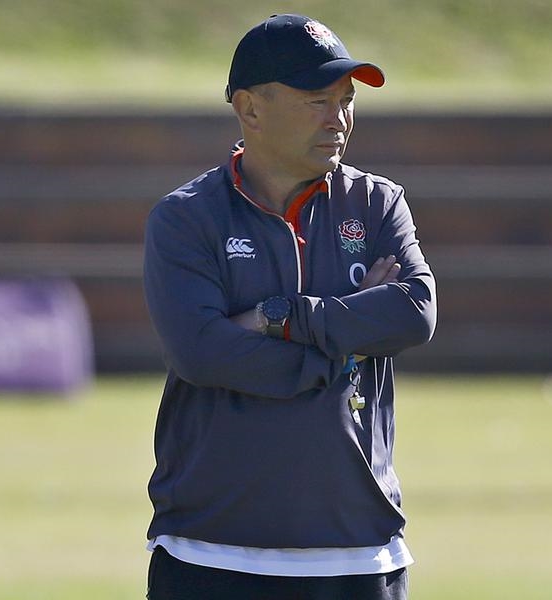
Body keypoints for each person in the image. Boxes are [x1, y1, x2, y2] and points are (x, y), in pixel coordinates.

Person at [143, 13, 437, 600]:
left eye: (347, 101)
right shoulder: (186, 217)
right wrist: (345, 341)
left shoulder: (377, 204)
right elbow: (201, 353)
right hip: (209, 552)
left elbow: (415, 313)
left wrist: (278, 318)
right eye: (316, 100)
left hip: (359, 552)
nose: (338, 119)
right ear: (249, 109)